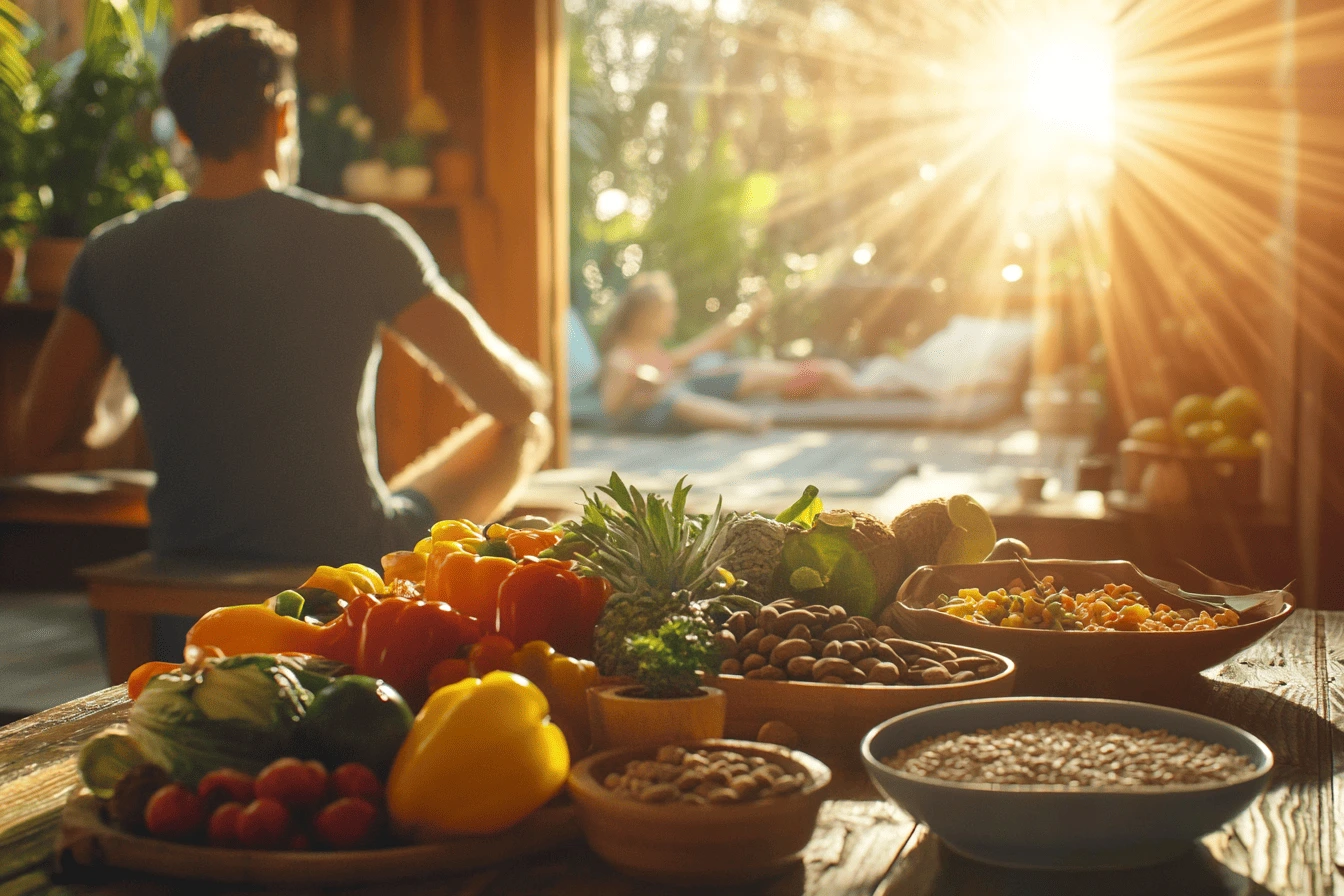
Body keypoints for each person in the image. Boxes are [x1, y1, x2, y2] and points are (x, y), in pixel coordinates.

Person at [17, 12, 552, 570]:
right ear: (282, 116)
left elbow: (44, 436)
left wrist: (132, 370)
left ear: (179, 128)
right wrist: (538, 386)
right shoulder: (364, 237)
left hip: (184, 549)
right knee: (526, 432)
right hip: (342, 553)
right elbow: (510, 400)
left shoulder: (109, 253)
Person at [598, 271, 867, 432]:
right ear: (645, 316)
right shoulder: (620, 357)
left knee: (732, 369)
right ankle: (750, 421)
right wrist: (636, 387)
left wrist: (749, 314)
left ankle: (816, 373)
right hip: (652, 413)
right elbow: (611, 408)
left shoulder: (655, 350)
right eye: (668, 310)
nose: (674, 316)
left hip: (679, 392)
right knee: (676, 398)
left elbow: (707, 343)